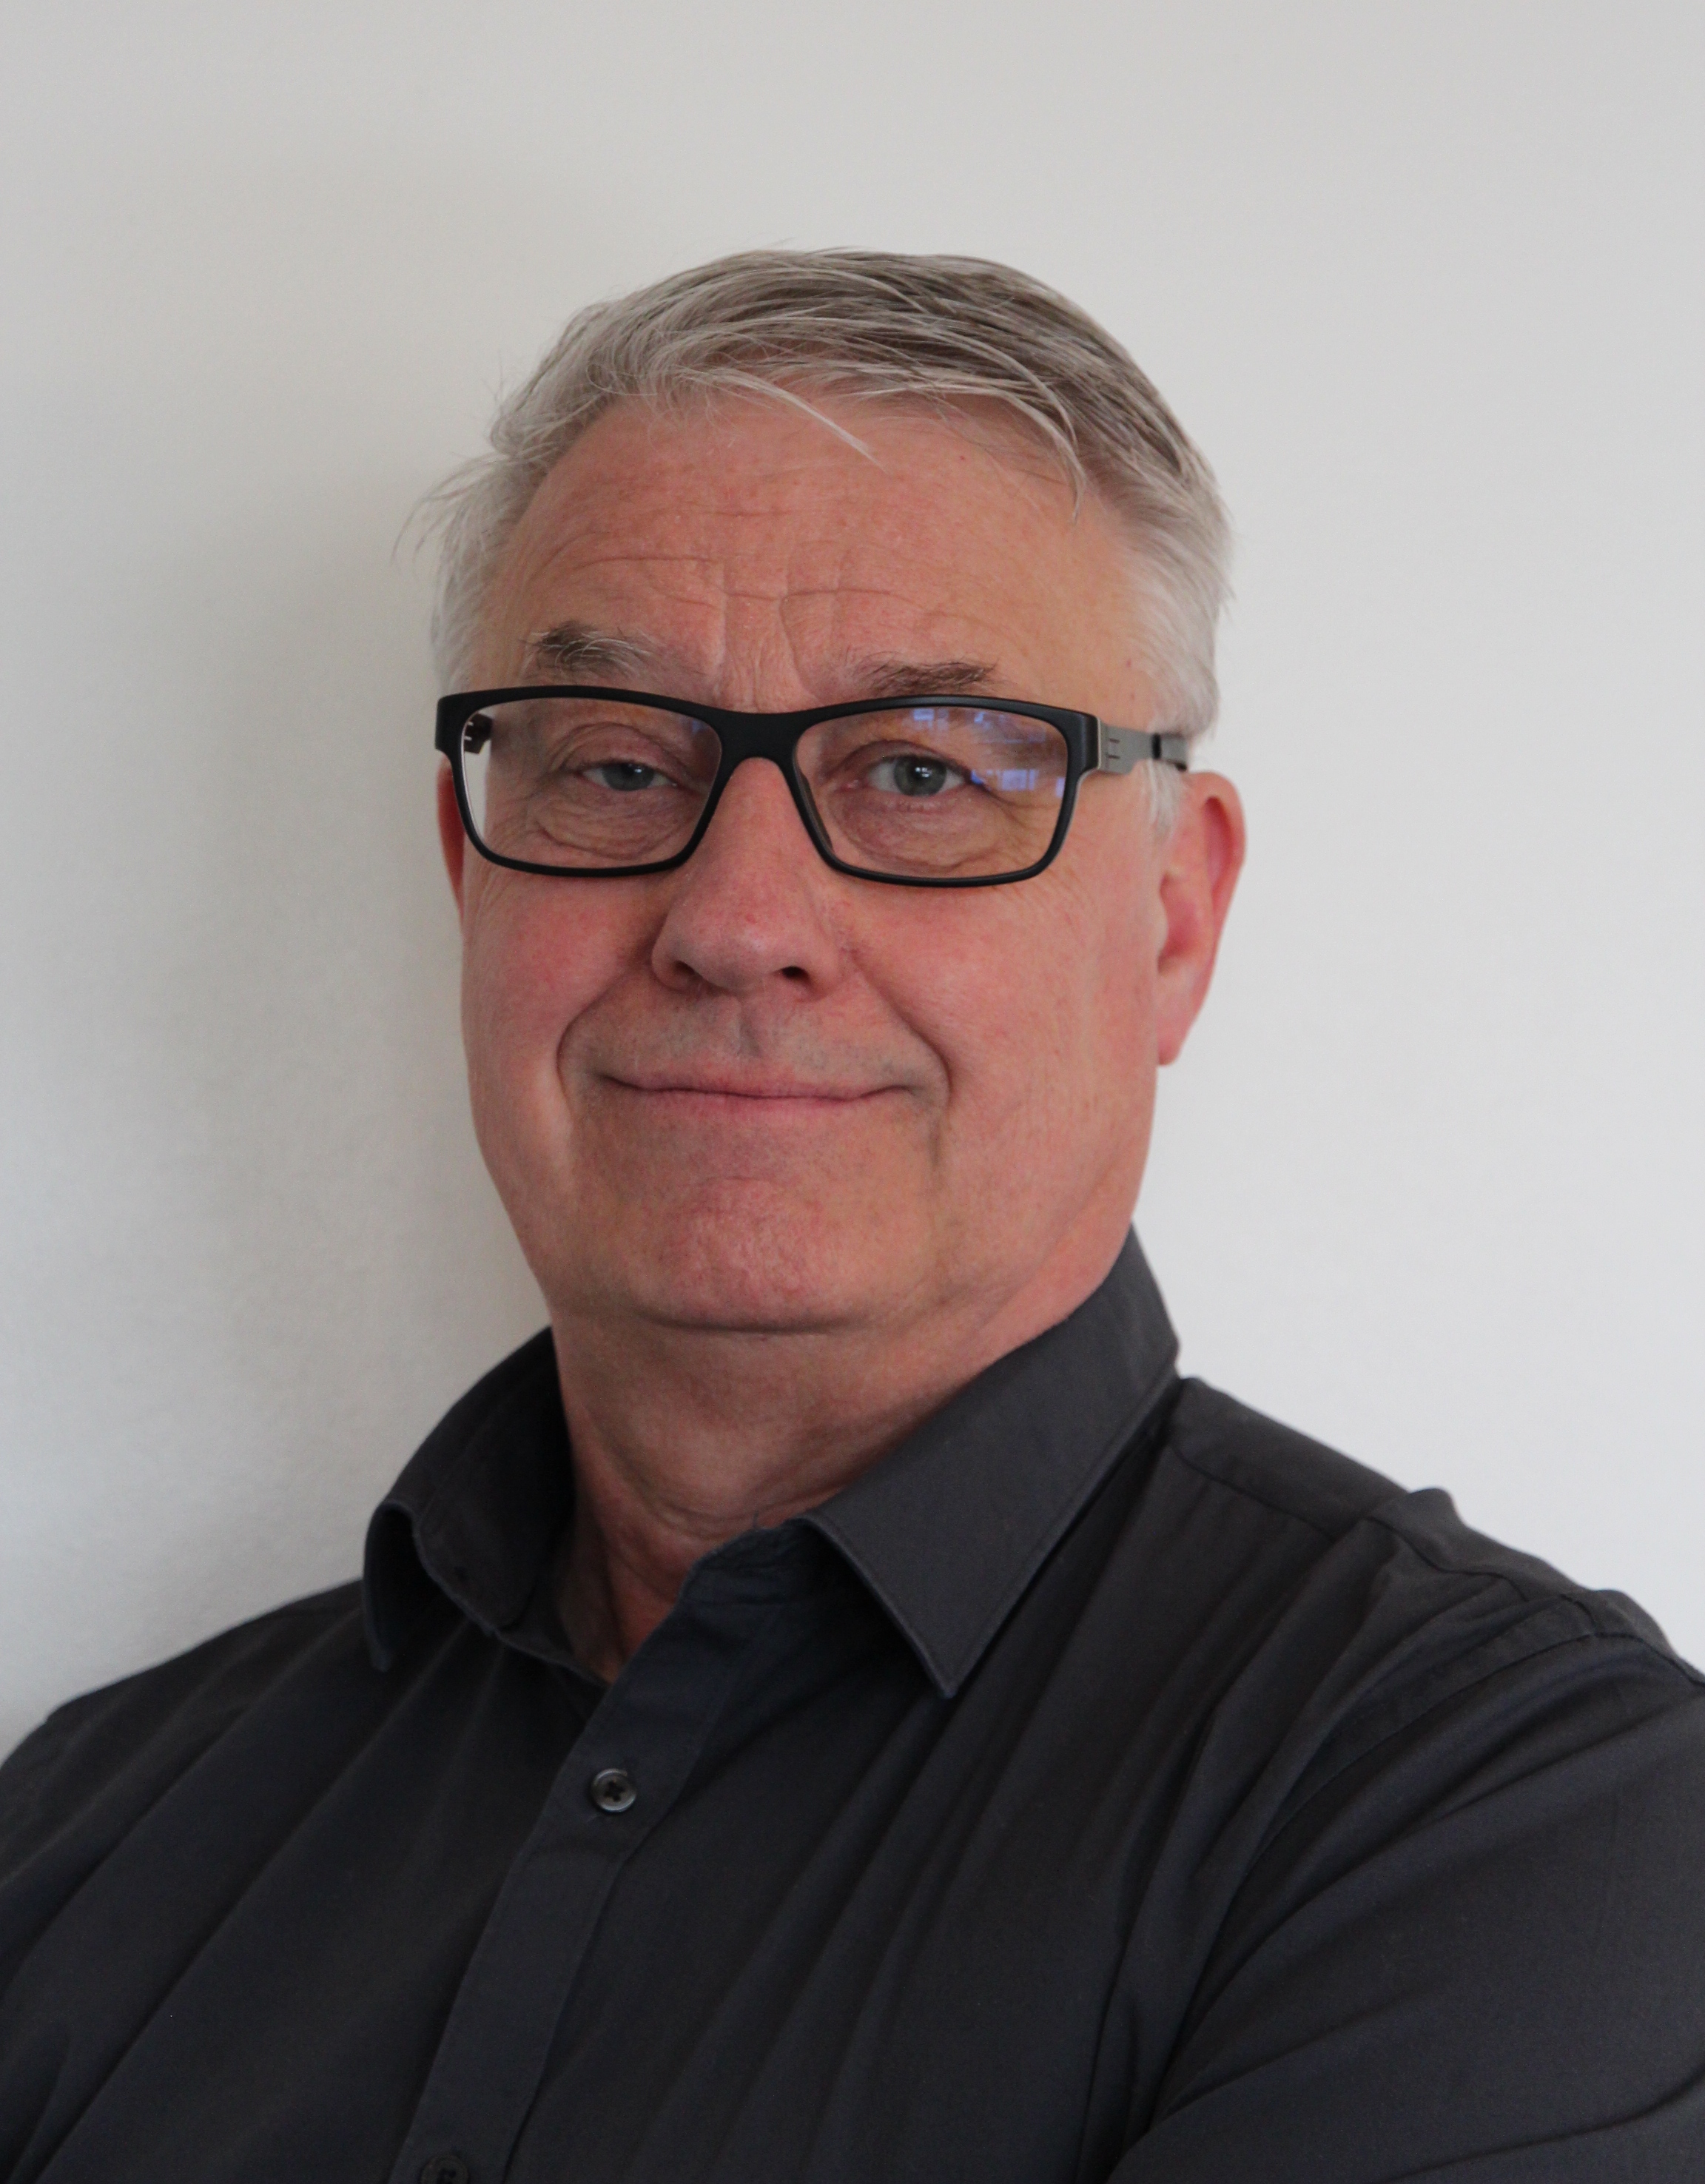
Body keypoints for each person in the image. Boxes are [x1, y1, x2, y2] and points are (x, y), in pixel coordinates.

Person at [1, 250, 1700, 2184]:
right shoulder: (86, 1833)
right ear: (472, 877)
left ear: (1173, 921)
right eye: (616, 762)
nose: (736, 923)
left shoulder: (1506, 1820)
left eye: (921, 773)